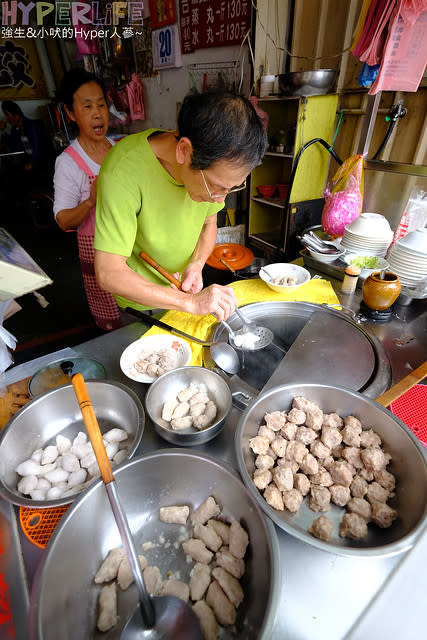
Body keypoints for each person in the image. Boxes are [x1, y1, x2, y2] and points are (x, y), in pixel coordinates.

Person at [94, 91, 267, 322]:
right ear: (184, 150)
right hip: (141, 305)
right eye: (217, 187)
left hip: (185, 295)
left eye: (232, 188)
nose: (219, 200)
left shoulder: (211, 173)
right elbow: (109, 272)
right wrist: (189, 302)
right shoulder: (123, 171)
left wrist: (196, 264)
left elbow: (209, 223)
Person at [53, 68, 121, 331]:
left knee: (141, 313)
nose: (97, 113)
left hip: (132, 251)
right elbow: (62, 220)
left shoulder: (119, 150)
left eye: (102, 105)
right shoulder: (68, 162)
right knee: (116, 326)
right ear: (71, 113)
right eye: (87, 106)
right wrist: (90, 202)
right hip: (100, 257)